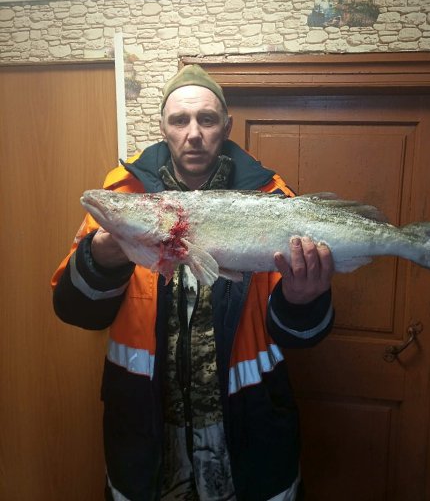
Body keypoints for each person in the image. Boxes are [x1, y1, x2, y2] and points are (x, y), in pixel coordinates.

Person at [52, 65, 335, 501]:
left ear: (226, 126)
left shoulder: (273, 201)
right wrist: (101, 260)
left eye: (206, 119)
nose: (194, 133)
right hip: (145, 430)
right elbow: (74, 310)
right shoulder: (123, 199)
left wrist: (301, 300)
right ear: (163, 127)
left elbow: (301, 337)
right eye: (180, 120)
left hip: (248, 427)